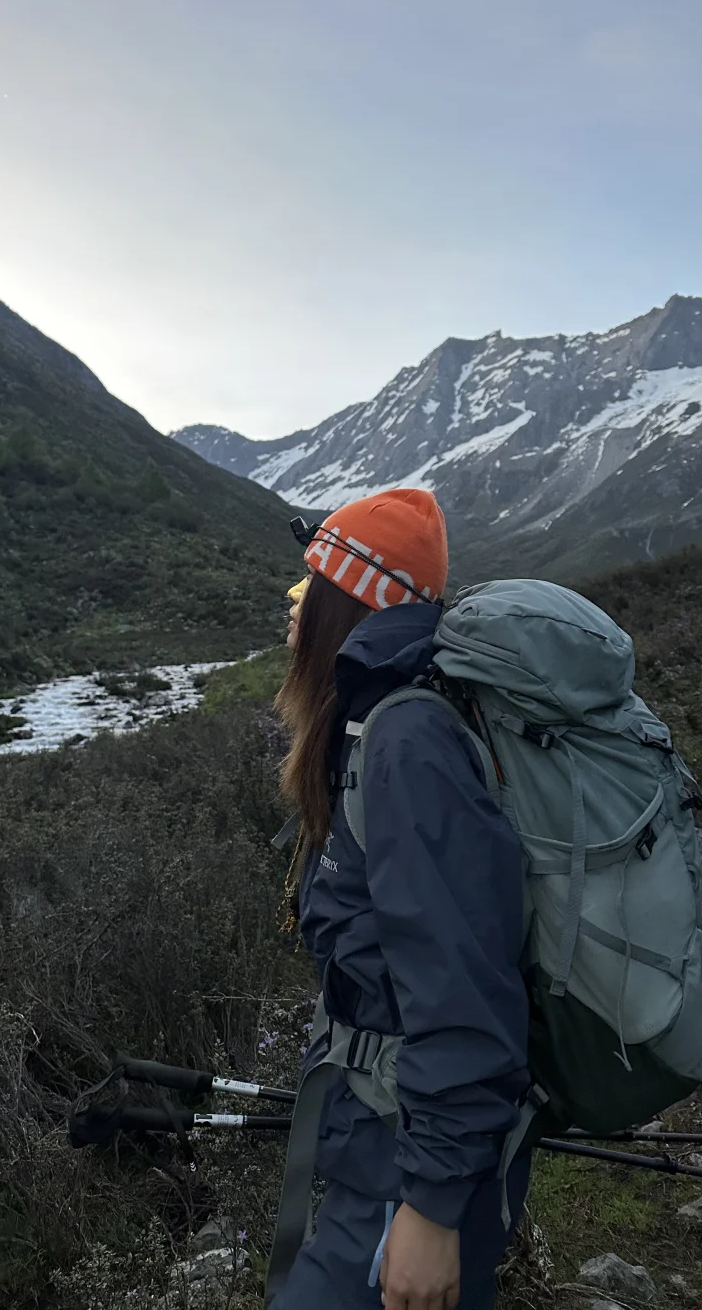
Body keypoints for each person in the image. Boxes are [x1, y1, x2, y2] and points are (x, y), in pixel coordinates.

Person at [269, 488, 531, 1310]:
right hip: (383, 1143)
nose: (291, 601)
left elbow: (464, 983)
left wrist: (430, 1208)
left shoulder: (406, 743)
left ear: (348, 600)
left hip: (408, 1166)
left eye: (308, 583)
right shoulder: (374, 725)